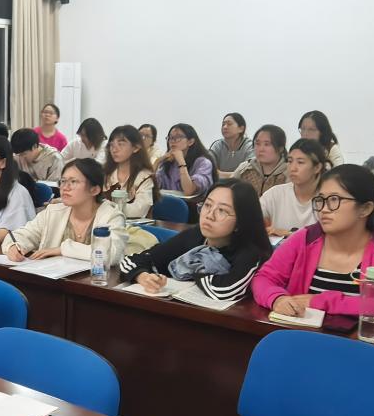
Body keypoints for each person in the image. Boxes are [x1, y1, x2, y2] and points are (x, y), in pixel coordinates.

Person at [252, 164, 374, 324]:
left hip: (357, 338)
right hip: (302, 334)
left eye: (334, 200)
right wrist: (277, 299)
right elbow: (264, 278)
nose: (324, 209)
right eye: (320, 200)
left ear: (365, 208)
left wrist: (321, 302)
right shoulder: (304, 239)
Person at [119, 180, 271, 302]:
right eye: (208, 205)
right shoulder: (196, 235)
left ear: (241, 221)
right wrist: (143, 276)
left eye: (222, 210)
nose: (209, 215)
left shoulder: (251, 250)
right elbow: (132, 261)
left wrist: (194, 271)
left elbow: (226, 290)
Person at [2, 158, 126, 263]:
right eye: (63, 181)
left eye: (73, 181)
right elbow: (20, 235)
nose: (65, 187)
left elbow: (112, 254)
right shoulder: (53, 212)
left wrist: (62, 249)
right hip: (52, 279)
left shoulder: (111, 216)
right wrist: (14, 246)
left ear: (94, 190)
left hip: (95, 281)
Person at [259, 139, 328, 236]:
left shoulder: (327, 199)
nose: (292, 168)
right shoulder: (275, 193)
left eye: (300, 162)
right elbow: (250, 217)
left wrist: (289, 234)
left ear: (317, 168)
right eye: (290, 161)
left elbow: (329, 236)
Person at [103, 125, 156, 218]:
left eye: (120, 144)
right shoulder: (105, 173)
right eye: (111, 145)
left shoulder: (144, 177)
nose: (114, 149)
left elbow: (138, 210)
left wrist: (107, 208)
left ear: (136, 148)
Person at [154, 123, 215, 197]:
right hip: (168, 201)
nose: (172, 141)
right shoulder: (168, 162)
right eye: (170, 137)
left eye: (178, 137)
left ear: (190, 142)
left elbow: (189, 191)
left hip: (192, 203)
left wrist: (181, 162)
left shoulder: (203, 162)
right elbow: (151, 187)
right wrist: (157, 162)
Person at [233, 125, 288, 196]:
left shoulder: (289, 173)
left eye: (267, 144)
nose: (261, 149)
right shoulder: (244, 169)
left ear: (280, 148)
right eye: (257, 143)